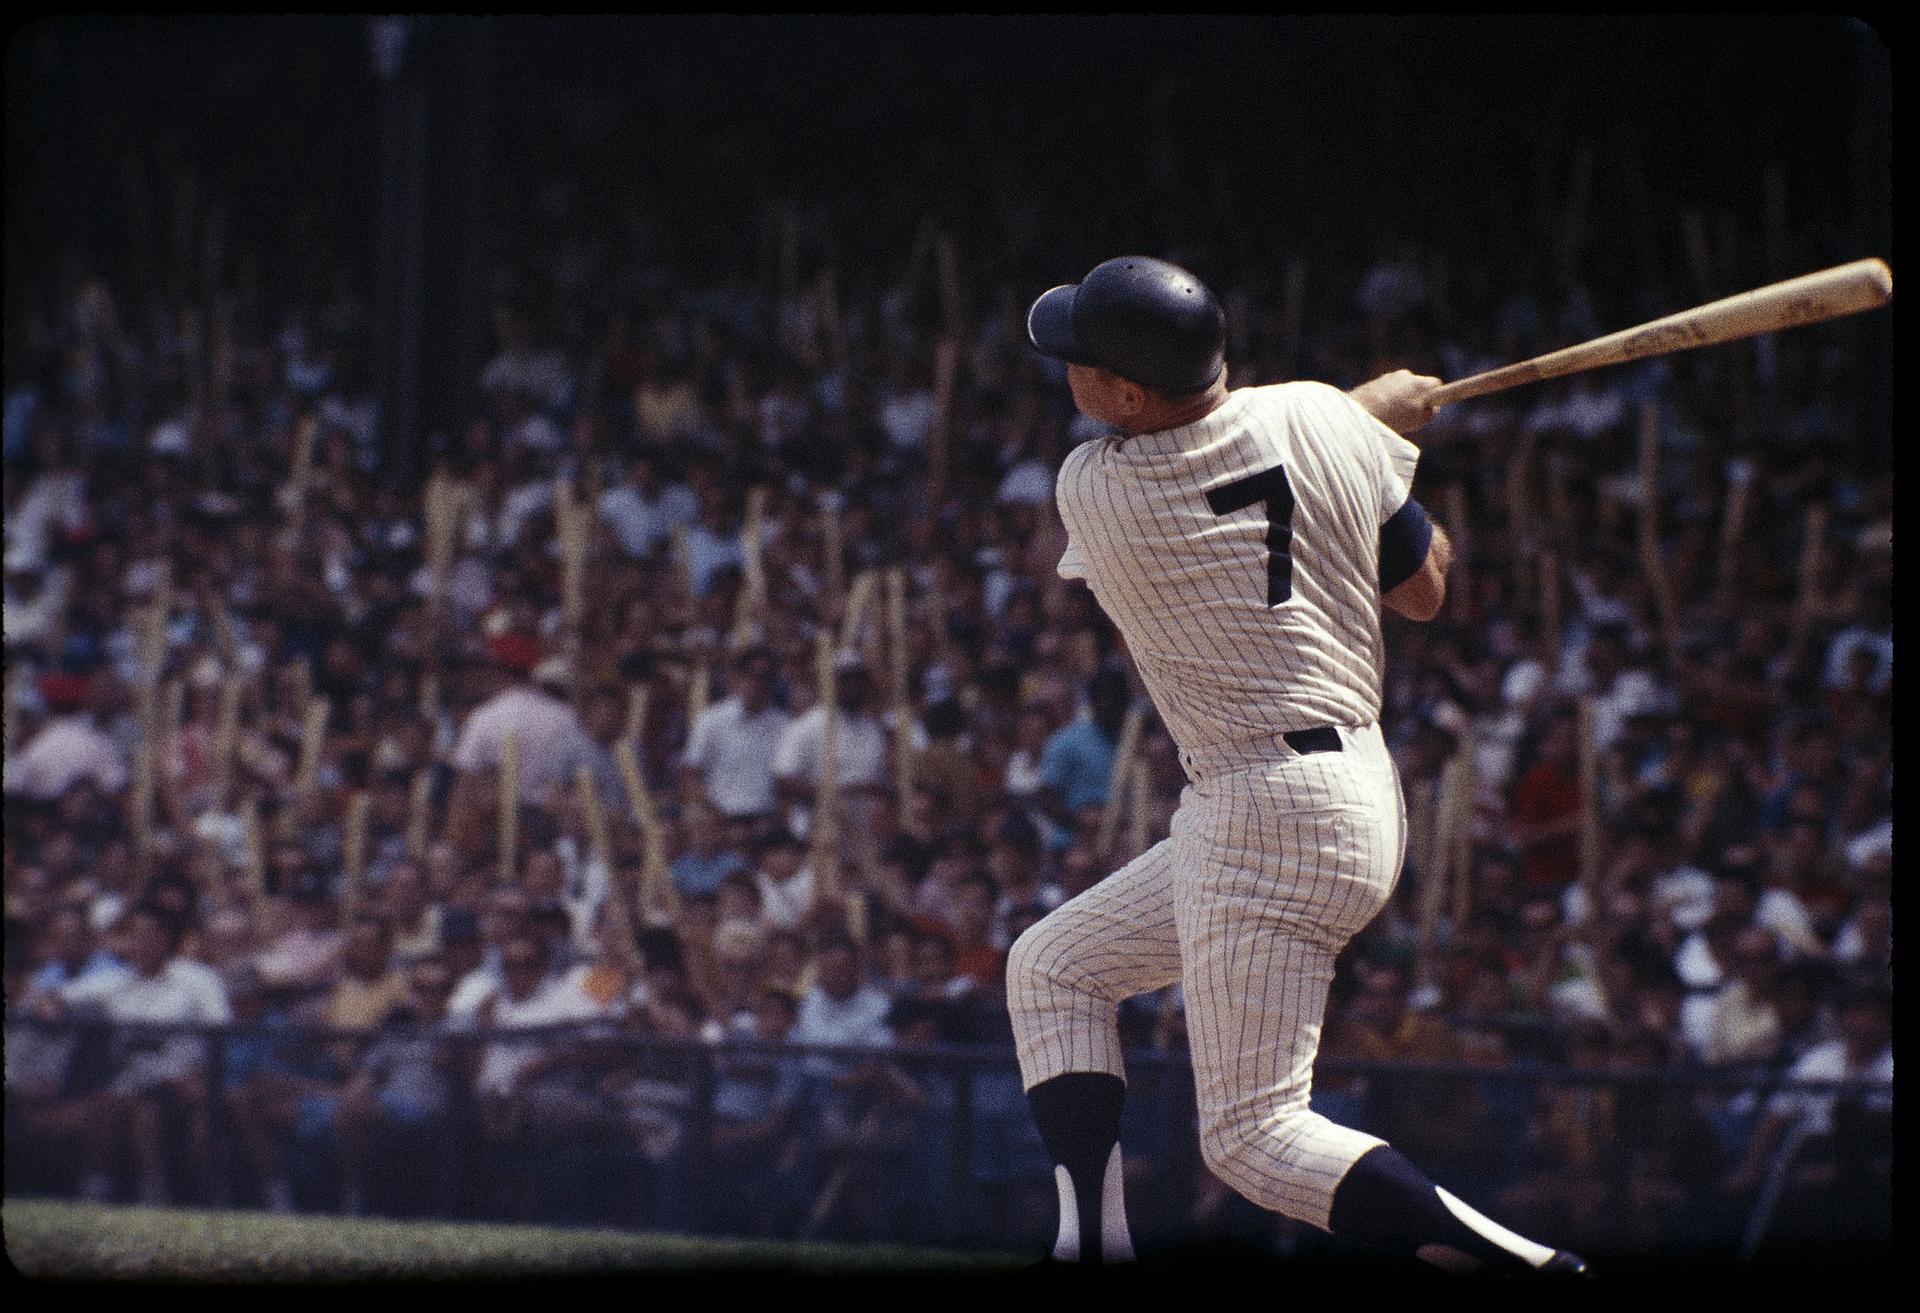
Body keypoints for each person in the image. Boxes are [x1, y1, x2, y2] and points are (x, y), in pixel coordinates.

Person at [1006, 256, 1584, 1272]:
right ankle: (1090, 1245)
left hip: (1267, 812)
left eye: (1083, 364)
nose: (1069, 375)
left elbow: (1233, 473)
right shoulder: (1318, 415)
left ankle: (1527, 1265)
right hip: (1345, 789)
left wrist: (1360, 423)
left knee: (1254, 1136)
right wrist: (1363, 435)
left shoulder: (1095, 486)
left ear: (1130, 394)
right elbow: (1424, 589)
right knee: (1056, 965)